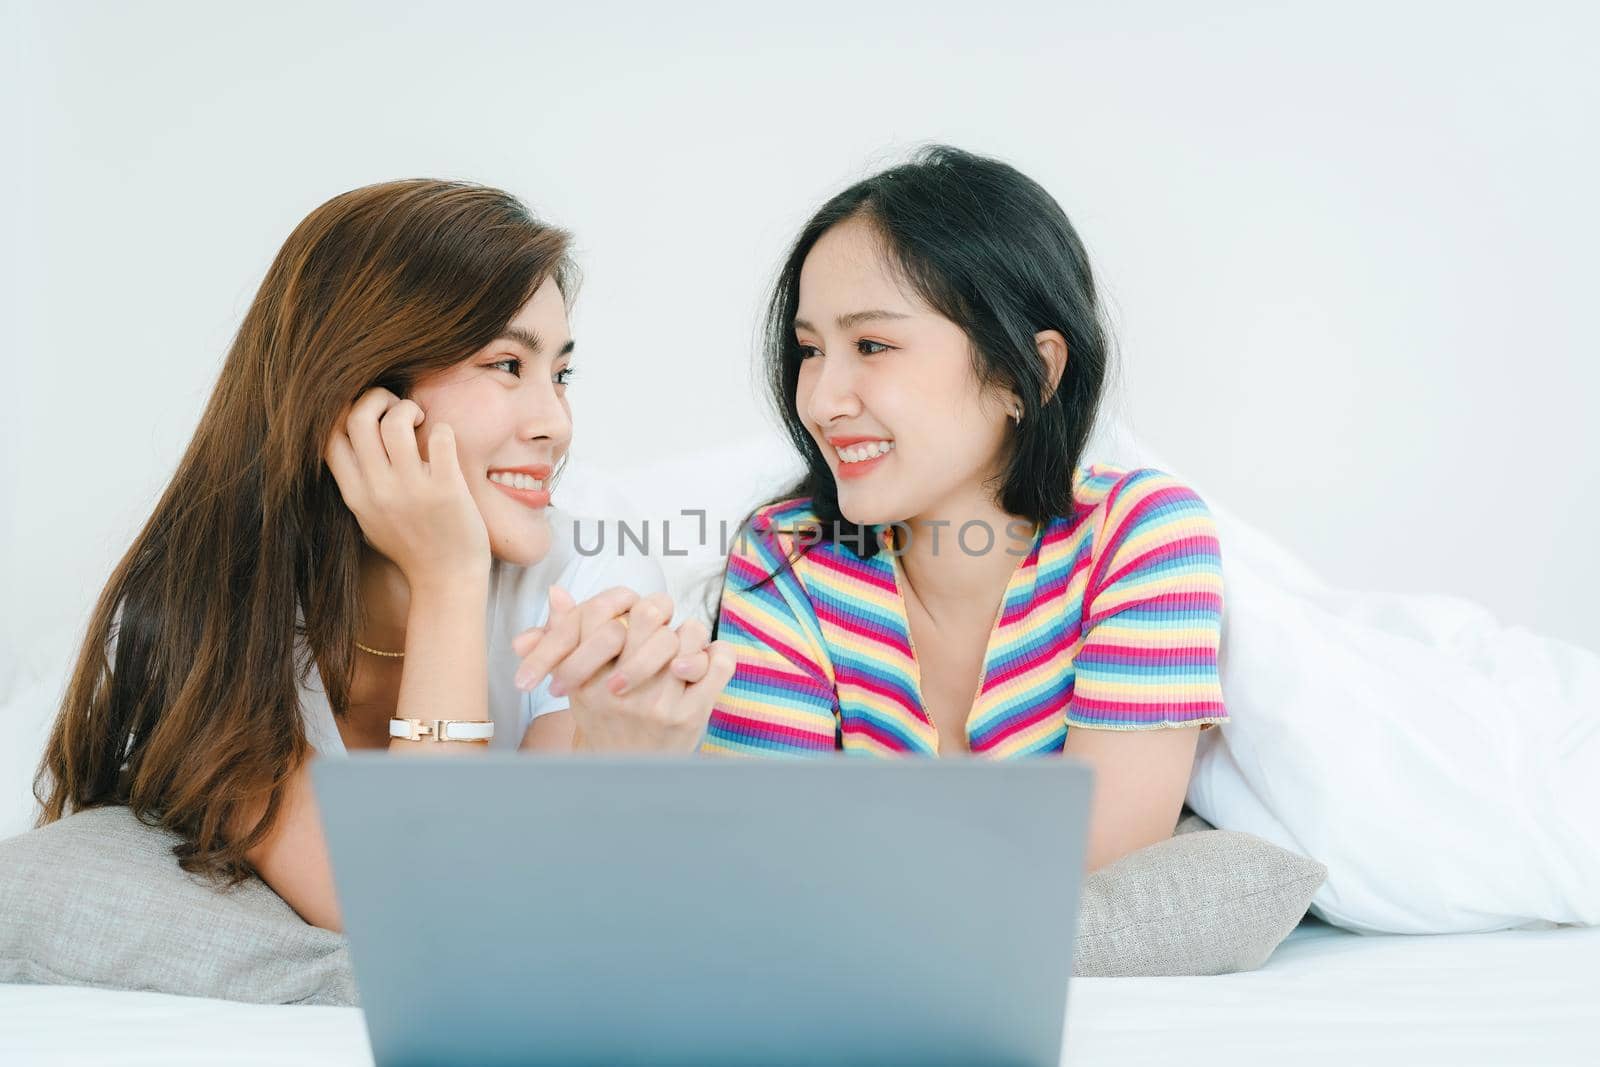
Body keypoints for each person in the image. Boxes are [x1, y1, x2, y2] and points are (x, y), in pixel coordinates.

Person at [35, 179, 734, 931]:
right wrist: (447, 578)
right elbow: (421, 914)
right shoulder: (209, 617)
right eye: (507, 365)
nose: (554, 423)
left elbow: (525, 906)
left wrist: (624, 759)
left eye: (559, 374)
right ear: (364, 394)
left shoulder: (589, 573)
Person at [704, 146, 1228, 872]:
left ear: (1027, 371)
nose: (821, 400)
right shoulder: (786, 556)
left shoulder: (1139, 536)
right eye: (811, 350)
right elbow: (759, 861)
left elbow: (1104, 864)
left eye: (873, 344)